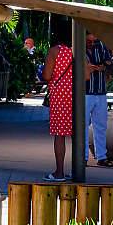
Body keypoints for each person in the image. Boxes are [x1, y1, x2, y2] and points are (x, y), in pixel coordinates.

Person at [42, 20, 75, 181]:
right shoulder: (78, 51)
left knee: (59, 134)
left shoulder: (55, 51)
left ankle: (59, 172)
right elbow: (86, 75)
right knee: (76, 133)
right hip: (75, 94)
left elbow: (47, 75)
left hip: (59, 95)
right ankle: (77, 170)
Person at [86, 35, 113, 167]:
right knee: (82, 125)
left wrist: (103, 67)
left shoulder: (101, 45)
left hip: (100, 91)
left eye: (94, 40)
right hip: (84, 92)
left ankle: (101, 156)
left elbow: (111, 66)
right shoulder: (77, 44)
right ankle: (82, 157)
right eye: (89, 41)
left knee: (101, 126)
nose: (92, 43)